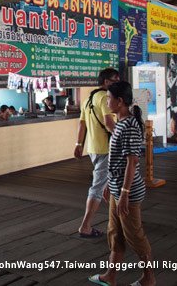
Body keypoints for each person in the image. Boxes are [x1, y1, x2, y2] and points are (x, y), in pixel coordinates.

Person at [89, 81, 155, 286]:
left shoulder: (129, 126)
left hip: (129, 191)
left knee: (134, 235)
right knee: (115, 233)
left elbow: (132, 162)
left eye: (109, 98)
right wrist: (111, 183)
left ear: (120, 101)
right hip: (118, 188)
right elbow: (117, 160)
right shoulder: (121, 124)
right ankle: (111, 275)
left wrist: (125, 192)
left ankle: (148, 277)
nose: (106, 101)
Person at [73, 67, 119, 238]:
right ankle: (85, 226)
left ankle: (119, 216)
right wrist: (123, 138)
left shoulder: (88, 99)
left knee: (108, 182)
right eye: (115, 80)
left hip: (92, 148)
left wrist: (78, 144)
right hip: (106, 148)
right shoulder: (106, 98)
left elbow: (82, 124)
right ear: (106, 82)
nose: (117, 83)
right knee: (98, 187)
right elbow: (109, 123)